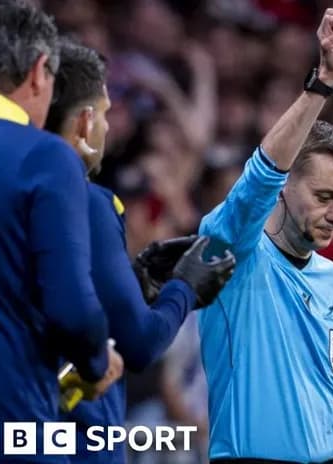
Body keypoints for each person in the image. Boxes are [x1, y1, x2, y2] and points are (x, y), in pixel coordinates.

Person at [0, 1, 123, 460]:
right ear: (40, 71)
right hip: (10, 429)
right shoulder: (43, 156)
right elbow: (72, 311)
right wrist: (97, 361)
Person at [44, 39, 236, 464]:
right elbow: (139, 341)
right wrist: (184, 289)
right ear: (83, 122)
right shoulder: (89, 201)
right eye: (106, 115)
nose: (110, 128)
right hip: (75, 433)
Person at [197, 9, 333, 463]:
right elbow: (257, 182)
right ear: (286, 185)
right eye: (325, 195)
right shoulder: (234, 254)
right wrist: (323, 84)